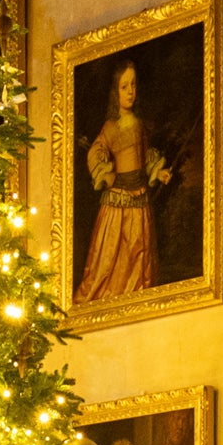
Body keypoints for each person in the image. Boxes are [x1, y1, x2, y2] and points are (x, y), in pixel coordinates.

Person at [75, 58, 179, 303]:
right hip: (116, 204)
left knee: (138, 256)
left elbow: (146, 158)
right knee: (110, 259)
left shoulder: (140, 126)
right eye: (124, 86)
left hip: (140, 203)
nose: (131, 91)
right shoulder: (111, 127)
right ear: (115, 91)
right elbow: (95, 152)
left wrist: (158, 172)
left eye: (133, 85)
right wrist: (106, 173)